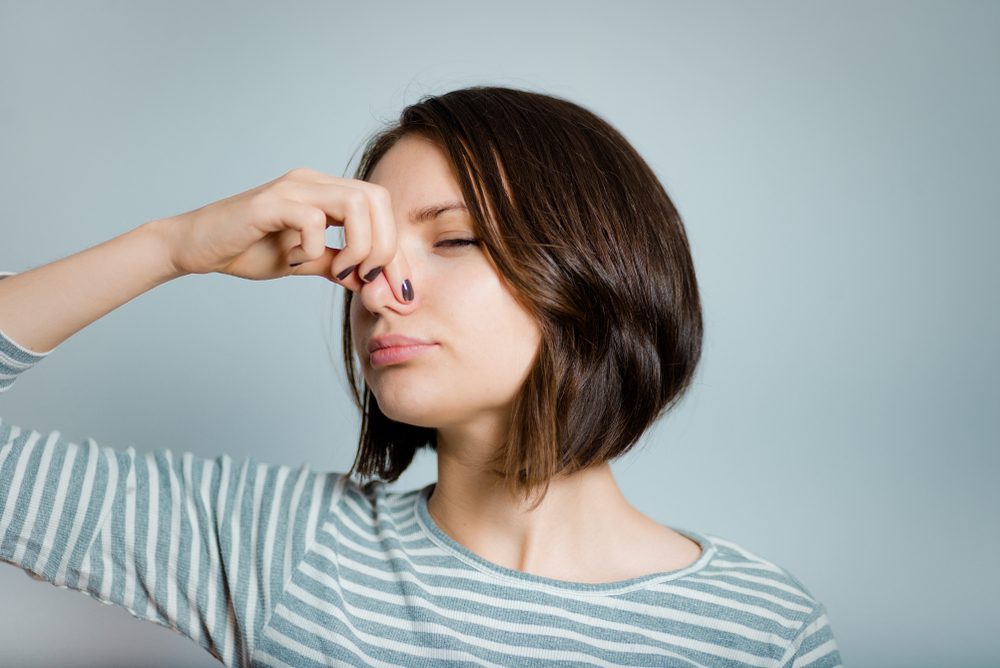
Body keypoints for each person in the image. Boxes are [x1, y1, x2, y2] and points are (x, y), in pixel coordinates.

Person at [0, 85, 842, 667]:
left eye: (452, 238)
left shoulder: (760, 630)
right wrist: (170, 246)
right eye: (365, 254)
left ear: (597, 269)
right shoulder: (284, 549)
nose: (375, 283)